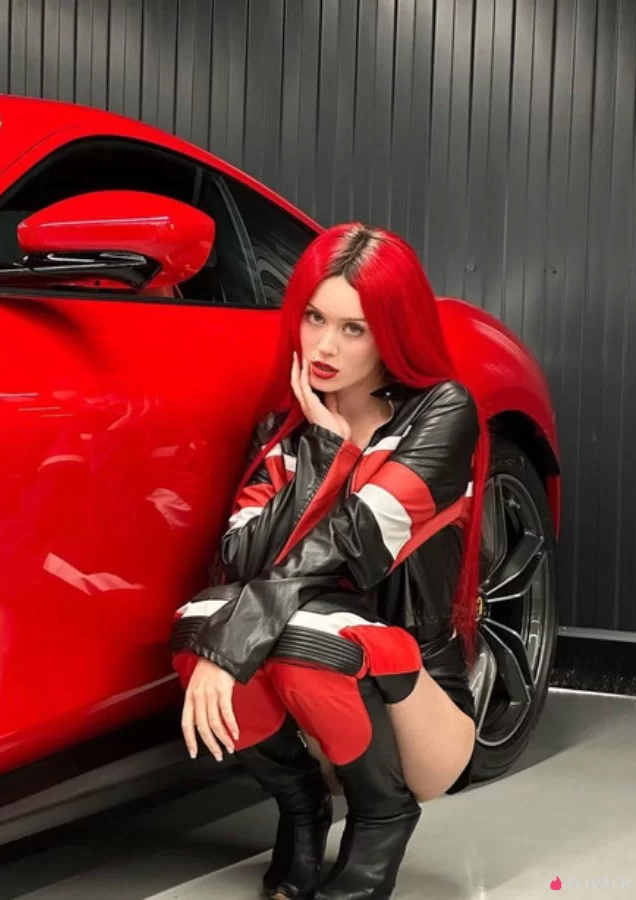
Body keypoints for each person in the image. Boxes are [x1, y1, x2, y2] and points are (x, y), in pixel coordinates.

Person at [171, 223, 489, 900]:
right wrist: (320, 446)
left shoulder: (442, 413)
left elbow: (357, 544)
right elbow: (241, 558)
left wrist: (233, 642)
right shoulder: (283, 432)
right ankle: (300, 805)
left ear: (392, 334)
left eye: (354, 329)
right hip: (312, 714)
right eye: (314, 318)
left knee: (280, 630)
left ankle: (381, 816)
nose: (323, 347)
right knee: (201, 621)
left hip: (417, 714)